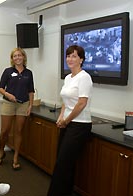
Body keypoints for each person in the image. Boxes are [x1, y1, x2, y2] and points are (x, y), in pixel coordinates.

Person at [47, 45, 93, 196]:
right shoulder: (68, 77)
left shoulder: (84, 77)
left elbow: (82, 103)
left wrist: (66, 120)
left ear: (81, 59)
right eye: (68, 56)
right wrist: (61, 117)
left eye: (74, 56)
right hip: (67, 123)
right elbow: (65, 101)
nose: (70, 59)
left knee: (63, 163)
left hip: (80, 126)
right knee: (65, 163)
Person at [0, 47, 35, 170]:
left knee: (19, 131)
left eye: (19, 55)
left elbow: (31, 91)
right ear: (12, 59)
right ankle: (1, 151)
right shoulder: (8, 71)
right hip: (9, 104)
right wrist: (8, 94)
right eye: (15, 56)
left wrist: (30, 106)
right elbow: (0, 88)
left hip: (23, 104)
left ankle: (16, 157)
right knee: (5, 131)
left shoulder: (29, 73)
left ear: (23, 57)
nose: (17, 58)